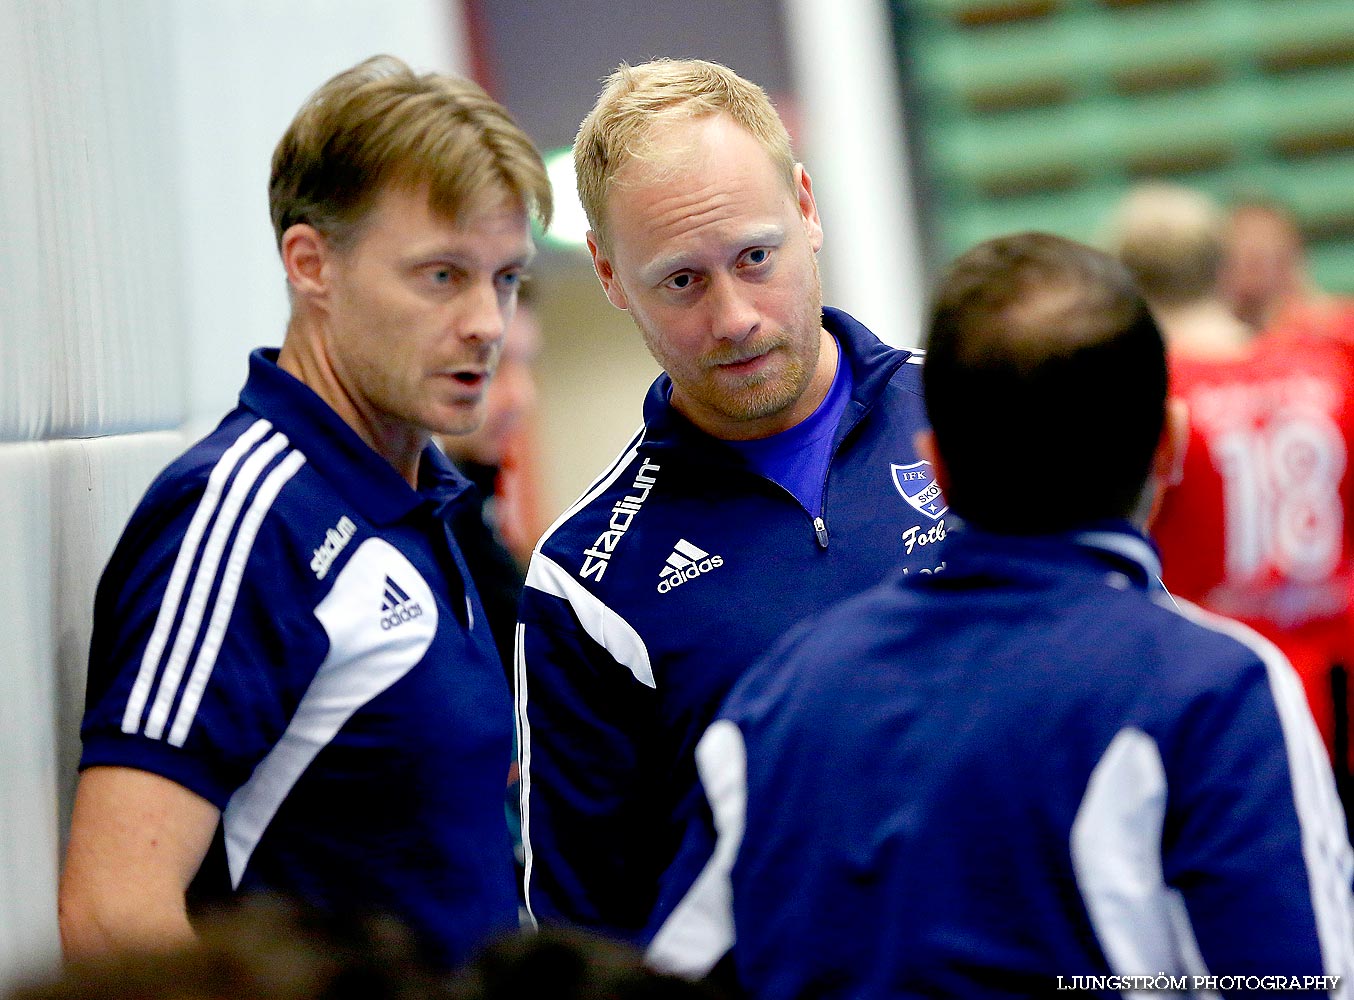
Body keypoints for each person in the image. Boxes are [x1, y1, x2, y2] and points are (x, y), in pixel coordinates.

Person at [648, 232, 1354, 997]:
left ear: (936, 467)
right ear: (1171, 447)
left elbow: (668, 972)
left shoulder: (776, 697)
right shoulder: (1215, 694)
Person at [58, 55, 552, 969]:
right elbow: (112, 915)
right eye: (443, 276)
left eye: (506, 278)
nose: (487, 321)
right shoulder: (243, 516)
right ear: (311, 263)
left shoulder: (429, 502)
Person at [514, 57, 949, 944]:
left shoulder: (993, 423)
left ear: (807, 207)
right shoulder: (586, 585)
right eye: (682, 281)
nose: (735, 317)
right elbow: (586, 939)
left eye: (756, 257)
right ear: (607, 273)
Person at [1111, 184, 1354, 790]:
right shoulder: (1329, 363)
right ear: (1221, 268)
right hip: (1338, 690)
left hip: (1221, 703)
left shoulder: (1152, 395)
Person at [439, 294, 544, 672]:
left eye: (527, 366)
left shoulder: (478, 509)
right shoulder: (431, 532)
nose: (521, 397)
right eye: (493, 366)